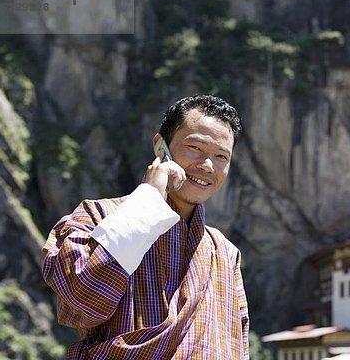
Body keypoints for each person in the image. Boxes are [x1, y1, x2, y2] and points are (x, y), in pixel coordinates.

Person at [42, 95, 249, 359]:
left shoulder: (224, 252)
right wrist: (150, 198)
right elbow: (83, 302)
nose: (207, 165)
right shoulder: (96, 216)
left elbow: (237, 347)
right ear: (160, 145)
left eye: (221, 156)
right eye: (195, 147)